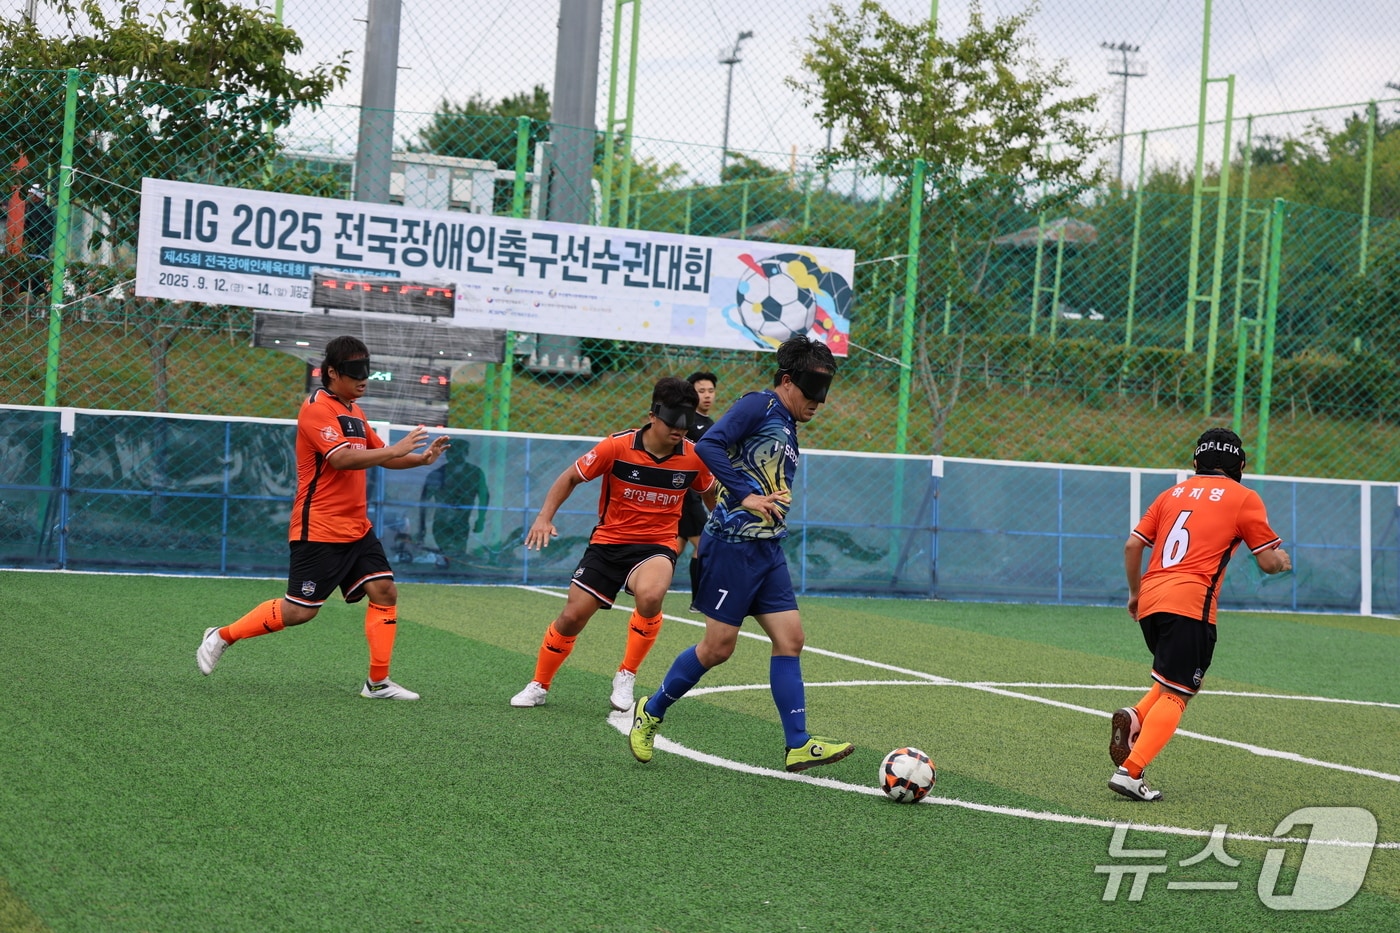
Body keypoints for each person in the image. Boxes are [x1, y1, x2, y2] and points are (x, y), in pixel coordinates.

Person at [629, 335, 855, 773]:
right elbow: (710, 444)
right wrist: (747, 494)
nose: (819, 401)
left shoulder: (787, 423)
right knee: (717, 649)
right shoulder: (760, 405)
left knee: (791, 639)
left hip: (767, 548)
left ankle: (798, 742)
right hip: (732, 547)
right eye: (812, 389)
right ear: (787, 381)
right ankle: (651, 711)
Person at [196, 336, 450, 700]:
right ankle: (221, 635)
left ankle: (377, 683)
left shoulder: (354, 411)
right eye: (355, 371)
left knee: (384, 590)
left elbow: (382, 455)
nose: (365, 378)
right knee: (300, 612)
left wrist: (421, 459)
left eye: (368, 369)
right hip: (320, 527)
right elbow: (341, 459)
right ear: (332, 372)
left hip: (357, 527)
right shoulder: (317, 409)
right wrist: (395, 449)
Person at [509, 377, 717, 712]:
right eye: (673, 423)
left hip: (656, 546)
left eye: (687, 423)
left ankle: (627, 674)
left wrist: (721, 530)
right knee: (572, 617)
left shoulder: (694, 458)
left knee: (650, 596)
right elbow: (571, 477)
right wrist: (544, 517)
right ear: (652, 415)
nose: (680, 430)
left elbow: (709, 493)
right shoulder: (616, 447)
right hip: (609, 542)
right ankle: (539, 684)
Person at [1108, 427, 1291, 801]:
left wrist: (1134, 594)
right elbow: (1267, 560)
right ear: (1240, 464)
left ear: (1196, 461)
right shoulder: (1244, 498)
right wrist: (1282, 563)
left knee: (1172, 678)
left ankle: (1137, 715)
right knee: (1180, 693)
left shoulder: (1170, 494)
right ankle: (1131, 771)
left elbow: (1132, 545)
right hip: (1191, 604)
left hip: (1152, 600)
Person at [675, 370, 718, 605]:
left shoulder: (709, 423)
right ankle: (699, 600)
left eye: (711, 391)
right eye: (701, 391)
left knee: (676, 546)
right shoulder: (686, 420)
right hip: (687, 494)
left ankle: (635, 582)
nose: (707, 396)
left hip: (697, 493)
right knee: (704, 545)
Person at [22, 184, 55, 300]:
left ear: (35, 196)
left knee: (28, 279)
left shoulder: (36, 210)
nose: (26, 197)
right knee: (37, 278)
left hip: (34, 250)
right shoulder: (45, 209)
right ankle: (39, 298)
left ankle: (28, 299)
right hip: (42, 250)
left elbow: (33, 229)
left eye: (29, 194)